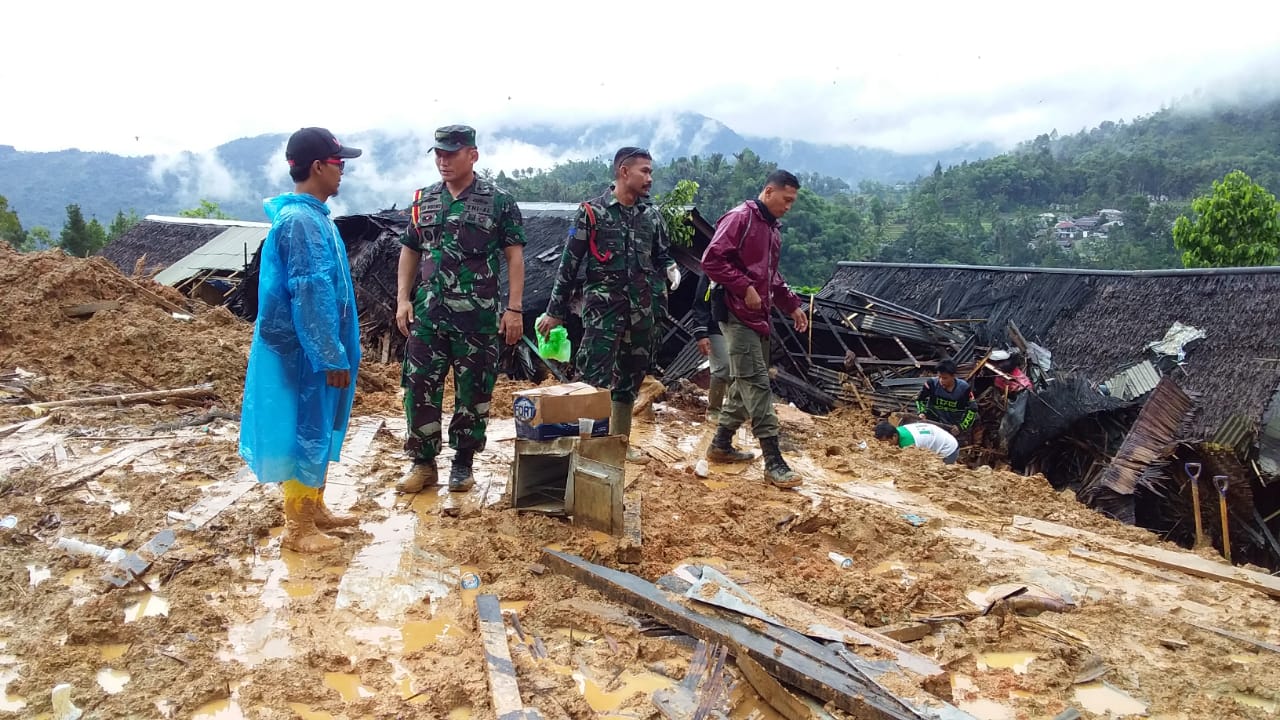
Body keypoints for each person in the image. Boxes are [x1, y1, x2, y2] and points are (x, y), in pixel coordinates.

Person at [239, 127, 363, 553]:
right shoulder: (302, 224)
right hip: (303, 353)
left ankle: (314, 506)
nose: (342, 171)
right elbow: (310, 293)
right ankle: (298, 529)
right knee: (305, 428)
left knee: (321, 423)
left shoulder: (314, 218)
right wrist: (328, 354)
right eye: (338, 163)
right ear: (317, 167)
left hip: (316, 347)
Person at [396, 125, 526, 494]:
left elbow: (514, 256)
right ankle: (423, 464)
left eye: (451, 153)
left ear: (473, 155)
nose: (443, 160)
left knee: (474, 392)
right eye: (438, 153)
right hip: (428, 317)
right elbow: (410, 249)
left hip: (478, 318)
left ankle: (463, 463)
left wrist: (514, 309)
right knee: (418, 388)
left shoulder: (499, 201)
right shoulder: (424, 199)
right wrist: (403, 299)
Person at [537, 147, 681, 462]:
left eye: (651, 172)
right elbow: (569, 264)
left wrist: (670, 267)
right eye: (644, 171)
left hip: (642, 312)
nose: (650, 178)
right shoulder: (592, 213)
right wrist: (554, 311)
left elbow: (661, 253)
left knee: (630, 381)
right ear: (623, 172)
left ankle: (618, 445)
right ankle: (588, 450)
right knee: (592, 381)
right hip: (604, 313)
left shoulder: (651, 215)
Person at [699, 170, 809, 489]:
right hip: (736, 312)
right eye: (786, 200)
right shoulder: (740, 218)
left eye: (792, 202)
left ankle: (720, 444)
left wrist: (792, 304)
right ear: (768, 191)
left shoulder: (772, 229)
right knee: (757, 383)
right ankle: (774, 461)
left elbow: (771, 276)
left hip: (758, 315)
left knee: (741, 384)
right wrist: (743, 285)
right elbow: (712, 260)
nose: (788, 207)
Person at [691, 272, 729, 422]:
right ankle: (714, 410)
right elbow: (700, 302)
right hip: (717, 325)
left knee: (741, 370)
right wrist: (701, 332)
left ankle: (735, 410)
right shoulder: (713, 267)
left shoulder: (751, 265)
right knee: (723, 366)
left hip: (741, 326)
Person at [915, 358, 979, 435]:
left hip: (953, 426)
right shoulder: (931, 384)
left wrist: (961, 427)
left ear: (953, 376)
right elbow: (920, 400)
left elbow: (973, 409)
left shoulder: (964, 388)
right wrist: (922, 412)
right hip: (934, 423)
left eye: (945, 378)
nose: (941, 380)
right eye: (939, 377)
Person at [874, 420, 959, 465]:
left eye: (887, 442)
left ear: (894, 436)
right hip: (939, 437)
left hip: (948, 449)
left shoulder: (909, 445)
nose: (886, 445)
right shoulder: (900, 430)